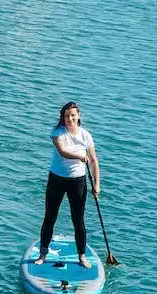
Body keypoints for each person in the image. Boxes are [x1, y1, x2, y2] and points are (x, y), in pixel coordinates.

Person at [36, 101, 100, 267]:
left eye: (73, 115)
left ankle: (82, 256)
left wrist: (97, 184)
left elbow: (93, 160)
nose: (70, 118)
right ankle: (43, 254)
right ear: (62, 118)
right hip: (57, 179)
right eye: (67, 116)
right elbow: (63, 151)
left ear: (78, 116)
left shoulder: (86, 135)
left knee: (78, 219)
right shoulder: (57, 133)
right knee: (50, 216)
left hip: (78, 181)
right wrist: (79, 156)